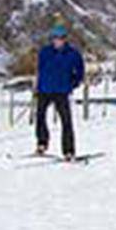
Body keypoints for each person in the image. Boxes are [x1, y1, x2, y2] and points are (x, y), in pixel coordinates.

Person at [35, 24, 84, 158]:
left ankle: (68, 151)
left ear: (65, 39)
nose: (58, 40)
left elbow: (80, 72)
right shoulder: (45, 52)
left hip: (61, 91)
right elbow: (40, 70)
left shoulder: (73, 54)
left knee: (66, 121)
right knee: (40, 117)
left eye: (61, 38)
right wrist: (37, 87)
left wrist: (72, 84)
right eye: (55, 38)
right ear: (52, 39)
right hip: (44, 89)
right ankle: (42, 143)